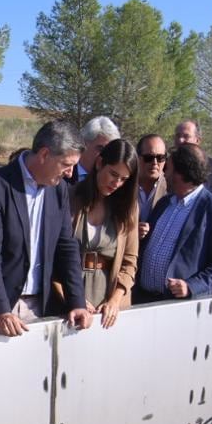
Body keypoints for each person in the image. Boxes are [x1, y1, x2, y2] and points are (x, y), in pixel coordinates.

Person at [0, 121, 95, 336]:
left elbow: (66, 248)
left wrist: (76, 301)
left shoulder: (59, 190)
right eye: (66, 164)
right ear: (44, 154)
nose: (70, 173)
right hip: (4, 310)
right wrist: (1, 310)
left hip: (44, 306)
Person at [132, 143, 212, 302]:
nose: (164, 172)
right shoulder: (165, 203)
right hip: (142, 298)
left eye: (168, 167)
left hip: (177, 306)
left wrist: (191, 286)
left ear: (181, 172)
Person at [64, 138, 140, 328]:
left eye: (124, 179)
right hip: (69, 297)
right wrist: (75, 299)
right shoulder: (69, 198)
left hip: (111, 307)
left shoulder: (129, 208)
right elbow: (55, 257)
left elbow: (130, 261)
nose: (117, 183)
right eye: (113, 174)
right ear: (99, 163)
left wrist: (115, 300)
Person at [133, 133, 169, 237]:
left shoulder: (172, 190)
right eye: (148, 158)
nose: (155, 162)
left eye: (160, 157)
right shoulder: (123, 184)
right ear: (137, 157)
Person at [174, 120, 212, 191]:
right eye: (178, 136)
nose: (180, 140)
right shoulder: (167, 165)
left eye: (186, 136)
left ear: (197, 140)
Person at [71, 116, 120, 182]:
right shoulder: (63, 175)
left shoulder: (111, 183)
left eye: (110, 151)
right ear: (84, 144)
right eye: (101, 149)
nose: (105, 156)